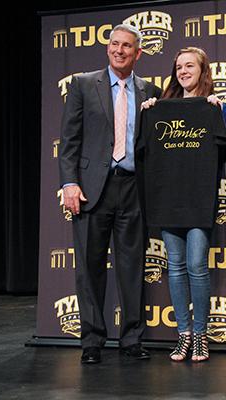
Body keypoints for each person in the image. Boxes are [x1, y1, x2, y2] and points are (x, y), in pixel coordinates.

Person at [58, 24, 161, 365]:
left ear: (138, 53)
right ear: (107, 48)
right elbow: (69, 141)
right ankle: (92, 340)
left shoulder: (150, 90)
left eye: (127, 46)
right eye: (114, 44)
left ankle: (131, 338)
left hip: (133, 187)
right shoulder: (84, 84)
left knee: (132, 266)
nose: (119, 50)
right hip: (91, 189)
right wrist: (69, 183)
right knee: (89, 267)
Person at [140, 47, 226, 362]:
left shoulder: (213, 106)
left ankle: (201, 335)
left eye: (189, 66)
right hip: (168, 198)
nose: (183, 71)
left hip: (198, 198)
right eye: (179, 67)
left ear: (203, 70)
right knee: (175, 268)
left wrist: (222, 110)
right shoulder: (158, 107)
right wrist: (149, 111)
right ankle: (184, 335)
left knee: (196, 266)